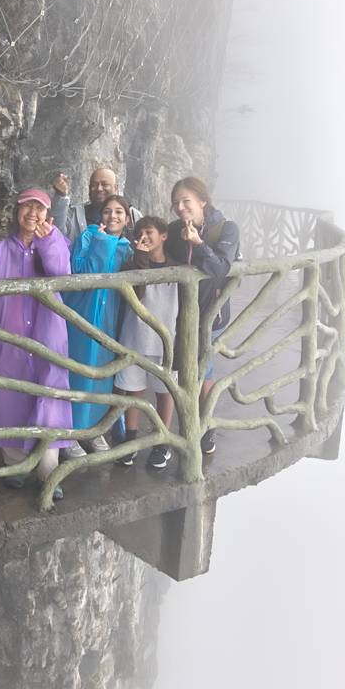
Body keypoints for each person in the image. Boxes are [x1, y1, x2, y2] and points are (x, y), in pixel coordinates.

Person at [0, 188, 73, 500]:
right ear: (16, 213)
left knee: (50, 400)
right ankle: (16, 467)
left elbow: (61, 273)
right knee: (9, 400)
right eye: (27, 207)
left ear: (48, 214)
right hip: (9, 339)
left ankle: (48, 471)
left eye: (39, 208)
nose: (32, 214)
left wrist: (48, 240)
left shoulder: (56, 243)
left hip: (48, 337)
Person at [165, 176, 240, 455]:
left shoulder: (226, 229)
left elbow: (221, 268)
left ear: (202, 201)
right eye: (176, 203)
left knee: (201, 369)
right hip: (180, 311)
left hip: (212, 315)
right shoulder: (174, 230)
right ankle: (197, 428)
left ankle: (203, 429)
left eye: (186, 201)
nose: (181, 207)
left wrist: (197, 243)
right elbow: (163, 256)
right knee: (192, 369)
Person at [64, 194, 133, 456]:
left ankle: (94, 431)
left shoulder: (128, 246)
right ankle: (70, 433)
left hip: (109, 317)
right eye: (107, 211)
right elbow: (80, 269)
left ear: (126, 219)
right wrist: (102, 242)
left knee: (103, 374)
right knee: (78, 371)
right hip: (83, 310)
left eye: (118, 212)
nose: (112, 216)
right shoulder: (89, 236)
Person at [114, 216, 179, 470]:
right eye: (140, 232)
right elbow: (135, 294)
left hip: (165, 341)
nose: (144, 236)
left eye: (149, 231)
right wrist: (140, 257)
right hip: (134, 339)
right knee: (134, 392)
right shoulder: (131, 263)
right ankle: (131, 442)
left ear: (163, 236)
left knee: (164, 393)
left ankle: (162, 443)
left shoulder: (177, 267)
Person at [50, 167, 141, 241]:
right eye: (94, 185)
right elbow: (56, 231)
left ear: (116, 188)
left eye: (104, 184)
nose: (99, 189)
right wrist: (61, 196)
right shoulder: (75, 214)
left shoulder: (133, 215)